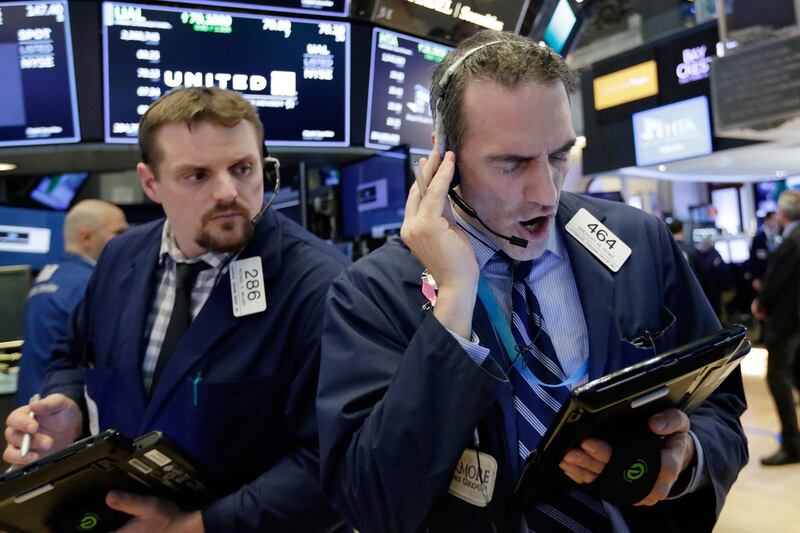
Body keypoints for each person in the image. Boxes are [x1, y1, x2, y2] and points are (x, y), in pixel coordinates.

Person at [318, 30, 747, 532]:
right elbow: (370, 501)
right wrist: (454, 304)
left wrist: (689, 456)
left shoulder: (636, 240)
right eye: (512, 163)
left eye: (559, 155)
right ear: (442, 159)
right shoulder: (369, 294)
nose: (545, 191)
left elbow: (721, 403)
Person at [4, 87, 348, 532]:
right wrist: (68, 406)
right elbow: (71, 355)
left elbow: (333, 461)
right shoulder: (119, 258)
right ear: (151, 182)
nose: (228, 192)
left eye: (243, 168)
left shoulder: (320, 285)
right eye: (197, 175)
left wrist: (192, 527)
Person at [15, 200, 128, 407]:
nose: (127, 240)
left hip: (34, 401)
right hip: (62, 406)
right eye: (119, 233)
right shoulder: (91, 284)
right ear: (86, 237)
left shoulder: (50, 275)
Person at [751, 190, 800, 466]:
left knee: (777, 378)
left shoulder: (791, 242)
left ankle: (792, 445)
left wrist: (761, 303)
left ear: (783, 214)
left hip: (786, 321)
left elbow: (775, 281)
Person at [748, 211, 781, 293]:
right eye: (773, 219)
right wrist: (755, 278)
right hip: (763, 277)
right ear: (767, 220)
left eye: (777, 219)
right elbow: (753, 260)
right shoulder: (758, 239)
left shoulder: (781, 237)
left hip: (779, 277)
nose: (776, 222)